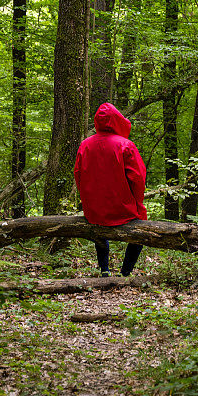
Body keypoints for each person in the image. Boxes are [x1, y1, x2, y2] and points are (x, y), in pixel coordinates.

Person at [74, 102, 147, 277]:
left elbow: (78, 175)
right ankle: (125, 273)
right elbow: (138, 178)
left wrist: (88, 201)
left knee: (99, 227)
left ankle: (105, 269)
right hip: (122, 209)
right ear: (116, 120)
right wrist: (137, 204)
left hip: (94, 210)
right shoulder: (125, 145)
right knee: (142, 231)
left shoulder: (85, 145)